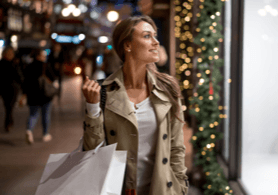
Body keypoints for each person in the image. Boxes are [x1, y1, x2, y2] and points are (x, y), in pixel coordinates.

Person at [82, 15, 189, 195]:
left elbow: (176, 148)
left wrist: (181, 187)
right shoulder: (103, 92)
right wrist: (92, 108)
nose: (156, 42)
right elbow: (92, 150)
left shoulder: (168, 89)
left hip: (161, 189)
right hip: (117, 189)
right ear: (127, 45)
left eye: (155, 36)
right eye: (147, 36)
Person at [21, 49, 56, 144]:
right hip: (45, 95)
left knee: (33, 114)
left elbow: (25, 82)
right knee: (46, 114)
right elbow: (53, 78)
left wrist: (24, 94)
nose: (44, 57)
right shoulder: (45, 66)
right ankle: (45, 134)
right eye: (43, 55)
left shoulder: (28, 67)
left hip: (32, 95)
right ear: (38, 56)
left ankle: (29, 130)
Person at [0, 46, 23, 132]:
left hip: (13, 89)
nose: (10, 55)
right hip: (4, 88)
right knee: (8, 106)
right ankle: (9, 122)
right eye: (8, 53)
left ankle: (9, 122)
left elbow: (19, 76)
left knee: (10, 106)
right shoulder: (1, 63)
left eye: (11, 53)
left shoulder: (14, 63)